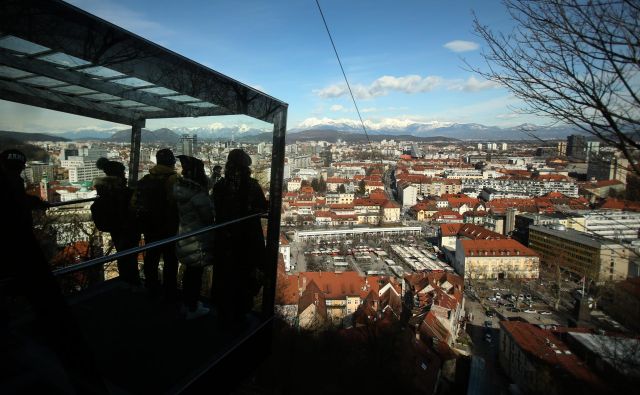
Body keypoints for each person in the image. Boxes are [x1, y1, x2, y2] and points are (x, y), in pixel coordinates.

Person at [0, 149, 107, 393]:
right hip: (17, 244)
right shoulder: (13, 181)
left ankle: (17, 326)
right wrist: (36, 203)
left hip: (14, 244)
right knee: (31, 287)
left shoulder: (11, 181)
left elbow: (15, 201)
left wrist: (34, 203)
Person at [211, 149, 268, 326]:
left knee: (224, 276)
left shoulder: (220, 185)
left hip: (224, 239)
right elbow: (263, 208)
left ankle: (222, 314)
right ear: (246, 166)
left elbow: (214, 208)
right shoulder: (251, 186)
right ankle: (240, 316)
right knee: (244, 277)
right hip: (247, 240)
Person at [131, 148, 179, 302]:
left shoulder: (145, 179)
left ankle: (152, 288)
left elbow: (133, 203)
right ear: (172, 162)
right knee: (170, 260)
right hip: (169, 226)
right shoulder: (174, 179)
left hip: (149, 226)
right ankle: (170, 291)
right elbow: (178, 203)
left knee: (151, 257)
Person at [173, 155, 214, 319]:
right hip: (197, 240)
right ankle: (192, 307)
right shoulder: (198, 195)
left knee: (189, 273)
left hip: (184, 236)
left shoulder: (181, 189)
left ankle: (187, 303)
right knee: (195, 275)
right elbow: (208, 218)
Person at [92, 158, 141, 287]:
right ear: (118, 174)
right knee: (130, 257)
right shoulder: (122, 191)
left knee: (123, 256)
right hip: (128, 228)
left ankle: (126, 282)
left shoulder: (104, 189)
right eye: (123, 172)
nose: (125, 175)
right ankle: (132, 283)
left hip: (115, 228)